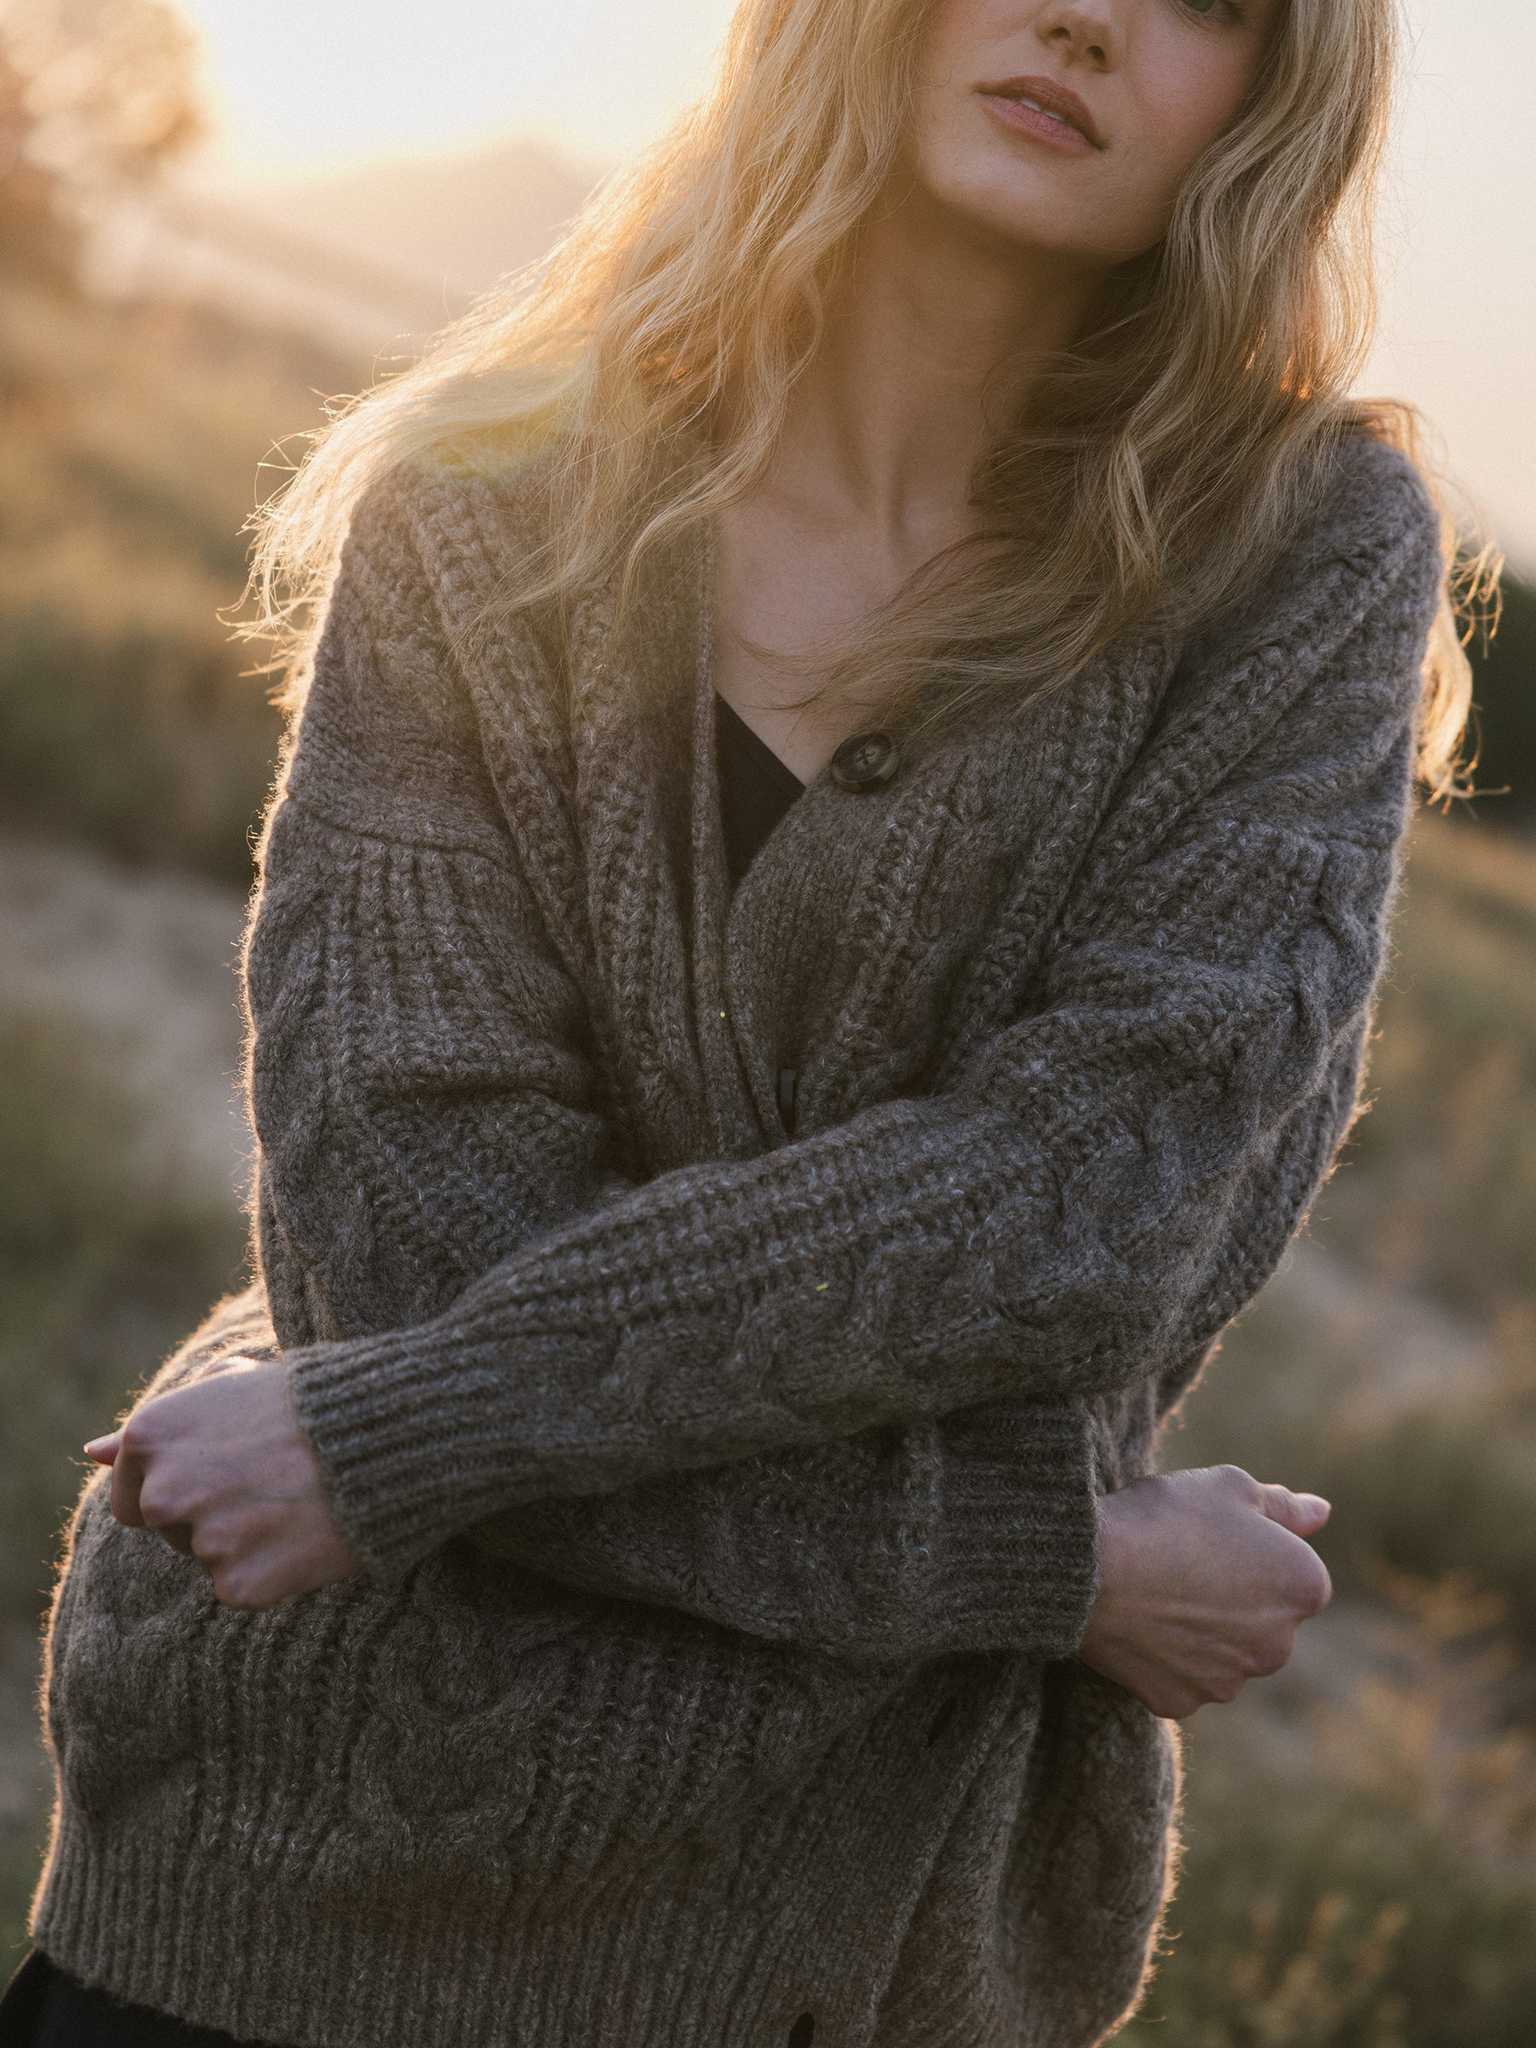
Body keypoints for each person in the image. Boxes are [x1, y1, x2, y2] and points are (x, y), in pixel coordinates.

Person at [8, 0, 1499, 2044]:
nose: (1084, 17)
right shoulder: (482, 500)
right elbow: (396, 1245)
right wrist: (1033, 1562)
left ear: (1275, 100)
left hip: (824, 1909)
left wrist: (405, 1433)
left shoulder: (1298, 565)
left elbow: (1093, 1196)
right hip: (289, 1850)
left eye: (1209, 2)